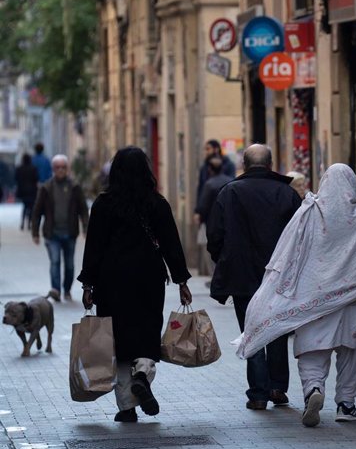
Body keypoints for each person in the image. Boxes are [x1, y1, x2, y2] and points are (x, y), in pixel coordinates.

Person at [237, 163, 356, 427]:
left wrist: (279, 287)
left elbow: (288, 251)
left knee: (312, 352)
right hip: (354, 299)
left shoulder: (309, 212)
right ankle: (346, 404)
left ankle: (313, 390)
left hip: (312, 300)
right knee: (352, 355)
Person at [78, 147, 192, 423]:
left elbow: (93, 247)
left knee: (118, 342)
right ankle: (142, 373)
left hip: (112, 281)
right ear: (146, 171)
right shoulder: (157, 203)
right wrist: (181, 280)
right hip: (148, 278)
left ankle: (127, 407)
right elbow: (171, 245)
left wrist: (88, 285)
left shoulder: (104, 205)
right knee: (146, 334)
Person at [207, 144, 301, 410]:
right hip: (279, 278)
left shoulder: (230, 192)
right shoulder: (287, 193)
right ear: (270, 164)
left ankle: (259, 392)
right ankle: (277, 387)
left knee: (251, 332)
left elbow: (215, 235)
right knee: (278, 330)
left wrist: (224, 261)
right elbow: (300, 237)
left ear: (244, 166)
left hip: (242, 277)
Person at [31, 155, 89, 302]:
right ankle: (56, 290)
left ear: (67, 169)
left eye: (64, 167)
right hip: (52, 233)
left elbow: (83, 209)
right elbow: (37, 212)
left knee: (69, 265)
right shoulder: (46, 188)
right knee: (55, 261)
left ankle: (67, 289)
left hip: (70, 232)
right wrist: (35, 232)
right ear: (53, 169)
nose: (61, 170)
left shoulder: (75, 187)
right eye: (58, 167)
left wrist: (85, 228)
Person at [194, 156, 232, 280]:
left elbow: (203, 205)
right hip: (229, 221)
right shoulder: (231, 181)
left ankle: (215, 275)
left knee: (209, 248)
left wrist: (199, 215)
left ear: (210, 169)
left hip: (210, 222)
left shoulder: (209, 184)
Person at [196, 139, 236, 209]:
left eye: (208, 149)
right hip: (208, 207)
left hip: (224, 205)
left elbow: (231, 184)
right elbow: (201, 188)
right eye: (205, 149)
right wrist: (198, 209)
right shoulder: (204, 167)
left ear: (216, 149)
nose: (206, 152)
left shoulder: (229, 165)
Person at [15, 154, 39, 231]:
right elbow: (36, 178)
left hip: (23, 191)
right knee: (31, 207)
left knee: (25, 206)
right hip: (32, 191)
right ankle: (29, 223)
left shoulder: (19, 168)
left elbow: (16, 178)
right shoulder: (33, 168)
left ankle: (22, 222)